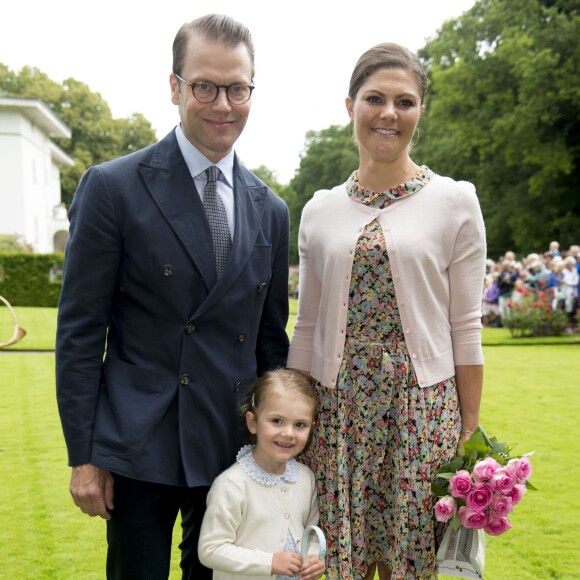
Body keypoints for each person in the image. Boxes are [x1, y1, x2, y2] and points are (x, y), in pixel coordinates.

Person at [55, 14, 290, 580]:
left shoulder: (271, 209)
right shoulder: (113, 187)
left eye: (237, 88)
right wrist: (84, 456)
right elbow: (81, 332)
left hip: (229, 442)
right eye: (204, 86)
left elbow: (268, 344)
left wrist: (274, 450)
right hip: (138, 443)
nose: (222, 103)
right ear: (174, 87)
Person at [287, 43, 486, 579]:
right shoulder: (319, 209)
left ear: (421, 111)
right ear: (350, 105)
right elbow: (306, 325)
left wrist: (470, 432)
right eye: (375, 98)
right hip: (337, 413)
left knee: (415, 564)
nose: (389, 113)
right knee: (333, 561)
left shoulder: (455, 202)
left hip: (422, 414)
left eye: (406, 101)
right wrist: (294, 418)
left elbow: (465, 326)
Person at [198, 368, 325, 580]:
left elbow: (311, 532)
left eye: (300, 425)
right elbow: (211, 549)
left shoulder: (305, 478)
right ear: (253, 422)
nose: (288, 433)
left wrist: (314, 558)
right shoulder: (232, 484)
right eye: (277, 421)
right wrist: (269, 562)